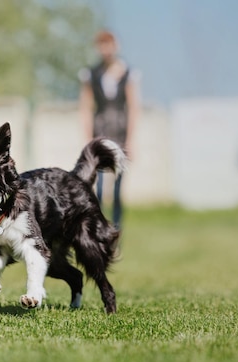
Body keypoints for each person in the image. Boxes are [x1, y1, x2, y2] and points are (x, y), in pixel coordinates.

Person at [79, 29, 140, 231]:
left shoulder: (129, 74)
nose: (105, 49)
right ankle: (98, 229)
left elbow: (132, 108)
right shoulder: (91, 75)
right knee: (97, 185)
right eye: (101, 45)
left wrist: (131, 140)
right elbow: (86, 108)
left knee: (117, 189)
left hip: (120, 135)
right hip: (100, 134)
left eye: (109, 44)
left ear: (116, 46)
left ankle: (116, 229)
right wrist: (88, 138)